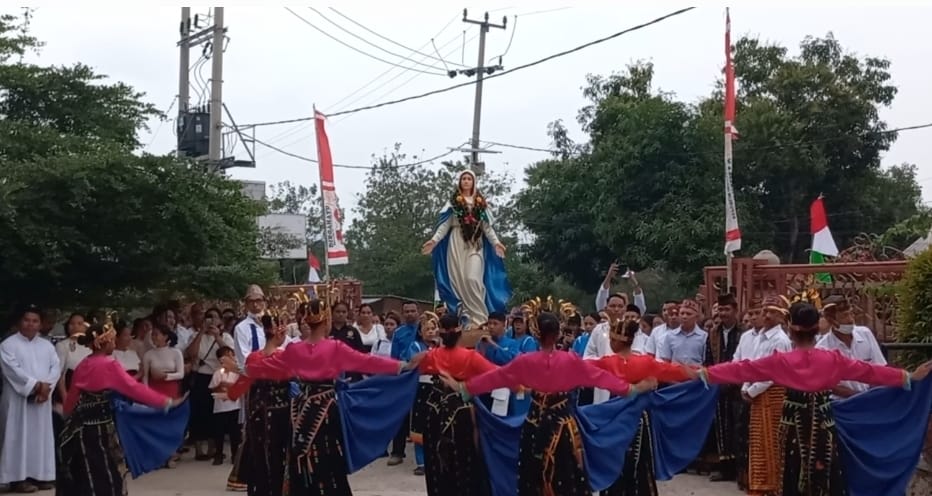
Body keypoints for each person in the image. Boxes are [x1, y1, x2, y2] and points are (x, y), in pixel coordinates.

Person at [702, 302, 932, 496]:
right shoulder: (832, 359)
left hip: (793, 426)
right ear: (816, 328)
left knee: (792, 473)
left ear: (790, 329)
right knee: (826, 472)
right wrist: (908, 377)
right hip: (824, 424)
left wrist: (705, 374)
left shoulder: (780, 361)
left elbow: (742, 369)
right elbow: (870, 371)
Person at [440, 312, 659, 496]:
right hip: (563, 425)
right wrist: (635, 388)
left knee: (532, 474)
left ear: (536, 333)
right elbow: (602, 378)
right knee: (565, 475)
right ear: (557, 334)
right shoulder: (570, 360)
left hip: (534, 423)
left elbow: (494, 378)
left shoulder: (525, 362)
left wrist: (463, 388)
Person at [229, 299, 422, 496]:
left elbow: (267, 367)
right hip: (325, 408)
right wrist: (401, 366)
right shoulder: (335, 348)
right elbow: (367, 362)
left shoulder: (294, 350)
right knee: (327, 457)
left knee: (300, 457)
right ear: (326, 321)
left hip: (299, 410)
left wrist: (242, 368)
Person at [57, 320, 185, 496]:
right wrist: (166, 402)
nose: (115, 343)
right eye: (113, 340)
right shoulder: (108, 365)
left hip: (80, 427)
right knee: (105, 474)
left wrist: (66, 416)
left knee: (85, 471)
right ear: (105, 342)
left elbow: (73, 396)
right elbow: (134, 389)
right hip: (100, 428)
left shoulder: (84, 364)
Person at [593, 319, 692, 496]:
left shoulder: (607, 363)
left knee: (615, 459)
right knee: (639, 462)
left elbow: (581, 369)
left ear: (617, 341)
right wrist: (703, 373)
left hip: (615, 416)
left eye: (611, 339)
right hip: (639, 418)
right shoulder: (646, 363)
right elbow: (676, 371)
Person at [417, 313, 496, 496]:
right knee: (465, 462)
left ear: (441, 334)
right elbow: (497, 374)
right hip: (461, 413)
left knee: (437, 464)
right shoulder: (471, 357)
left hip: (435, 411)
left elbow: (409, 369)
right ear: (459, 332)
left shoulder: (431, 356)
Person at [422, 170, 511, 328]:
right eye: (464, 178)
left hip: (475, 245)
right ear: (459, 182)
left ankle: (481, 318)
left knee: (472, 279)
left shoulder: (480, 203)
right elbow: (445, 225)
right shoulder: (453, 203)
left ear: (474, 182)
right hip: (456, 244)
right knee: (458, 282)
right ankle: (465, 319)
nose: (466, 181)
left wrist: (496, 242)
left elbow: (487, 228)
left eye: (469, 178)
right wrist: (434, 241)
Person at [224, 314, 291, 495]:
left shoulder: (254, 358)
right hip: (280, 413)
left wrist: (230, 393)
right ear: (277, 333)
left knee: (259, 455)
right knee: (278, 456)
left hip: (258, 414)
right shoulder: (283, 357)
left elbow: (242, 384)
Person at [0, 305, 61, 493]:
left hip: (42, 401)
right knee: (17, 437)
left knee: (39, 437)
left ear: (40, 324)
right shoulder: (8, 345)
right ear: (20, 321)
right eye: (27, 320)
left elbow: (55, 368)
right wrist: (36, 386)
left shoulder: (47, 346)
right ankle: (17, 479)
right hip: (18, 400)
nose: (30, 324)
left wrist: (46, 388)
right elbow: (13, 370)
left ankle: (40, 475)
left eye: (35, 321)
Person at [701, 293, 745, 482]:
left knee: (739, 427)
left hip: (739, 387)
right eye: (720, 309)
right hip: (719, 386)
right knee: (721, 427)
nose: (723, 313)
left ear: (735, 311)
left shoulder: (743, 333)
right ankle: (724, 467)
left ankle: (740, 469)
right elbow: (709, 361)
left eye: (727, 309)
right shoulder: (713, 334)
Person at [816, 297, 887, 399]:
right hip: (842, 404)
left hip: (870, 398)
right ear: (832, 320)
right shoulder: (823, 348)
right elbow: (830, 385)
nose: (850, 320)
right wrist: (858, 397)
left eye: (851, 314)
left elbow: (880, 368)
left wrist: (873, 394)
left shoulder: (865, 334)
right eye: (844, 316)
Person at [407, 312, 440, 476]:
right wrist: (431, 352)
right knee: (419, 425)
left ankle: (437, 459)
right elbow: (413, 361)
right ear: (420, 332)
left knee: (437, 424)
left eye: (433, 328)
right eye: (427, 329)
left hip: (438, 388)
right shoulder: (415, 346)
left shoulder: (442, 346)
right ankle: (421, 462)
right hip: (421, 388)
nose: (431, 332)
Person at [209, 346, 242, 466]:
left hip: (234, 406)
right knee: (219, 432)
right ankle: (218, 454)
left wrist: (230, 386)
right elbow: (212, 388)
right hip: (220, 407)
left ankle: (235, 455)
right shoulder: (217, 373)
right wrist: (220, 386)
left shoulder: (237, 373)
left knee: (235, 433)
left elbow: (241, 387)